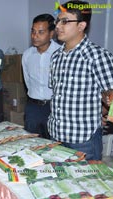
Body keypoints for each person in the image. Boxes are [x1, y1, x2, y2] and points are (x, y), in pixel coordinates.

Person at [48, 0, 113, 160]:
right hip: (56, 136)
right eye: (57, 21)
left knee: (85, 184)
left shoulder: (97, 56)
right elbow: (56, 93)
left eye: (65, 21)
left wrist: (105, 115)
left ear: (81, 25)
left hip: (84, 140)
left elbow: (111, 94)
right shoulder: (56, 56)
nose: (58, 26)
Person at [22, 14, 60, 139]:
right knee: (31, 144)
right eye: (33, 31)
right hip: (33, 107)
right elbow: (28, 82)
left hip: (54, 107)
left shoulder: (61, 54)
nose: (35, 36)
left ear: (51, 33)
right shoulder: (27, 55)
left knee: (53, 145)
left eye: (40, 32)